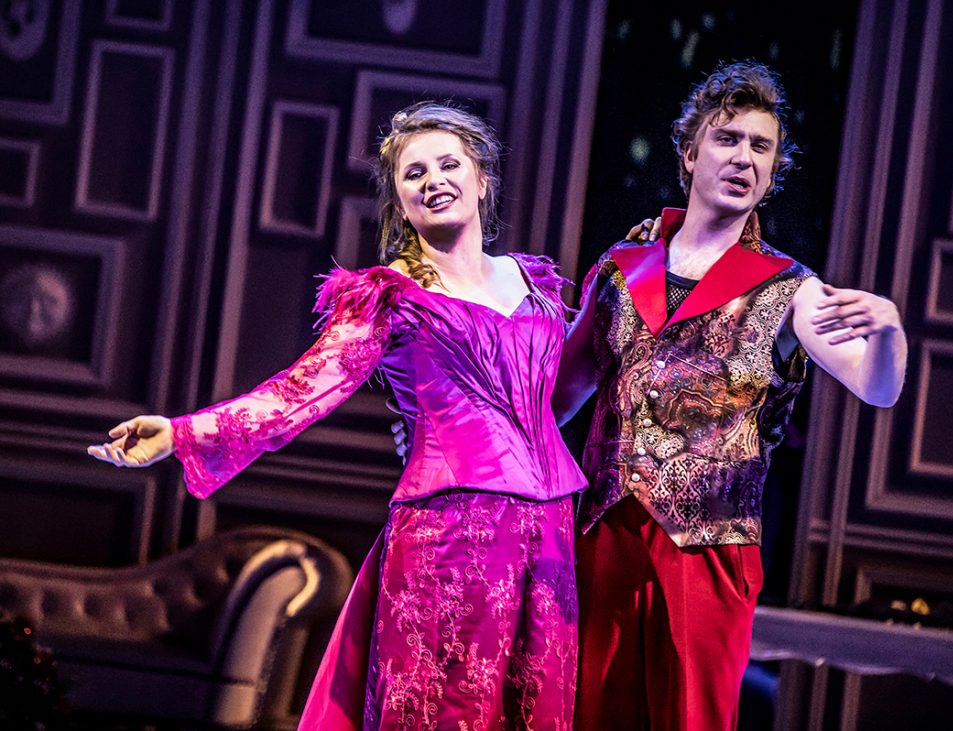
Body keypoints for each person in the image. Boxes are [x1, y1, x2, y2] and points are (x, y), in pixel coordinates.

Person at [88, 102, 585, 730]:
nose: (434, 180)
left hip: (549, 533)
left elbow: (578, 376)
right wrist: (182, 433)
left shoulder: (534, 285)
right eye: (414, 173)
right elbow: (299, 393)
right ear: (399, 201)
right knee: (445, 714)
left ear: (483, 179)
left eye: (449, 164)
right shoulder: (391, 298)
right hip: (452, 534)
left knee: (537, 712)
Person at [554, 61, 907, 730]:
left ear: (772, 173)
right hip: (605, 533)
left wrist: (890, 333)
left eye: (760, 146)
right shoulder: (621, 268)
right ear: (690, 154)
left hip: (707, 545)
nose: (744, 157)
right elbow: (556, 400)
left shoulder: (790, 287)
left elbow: (876, 387)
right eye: (727, 138)